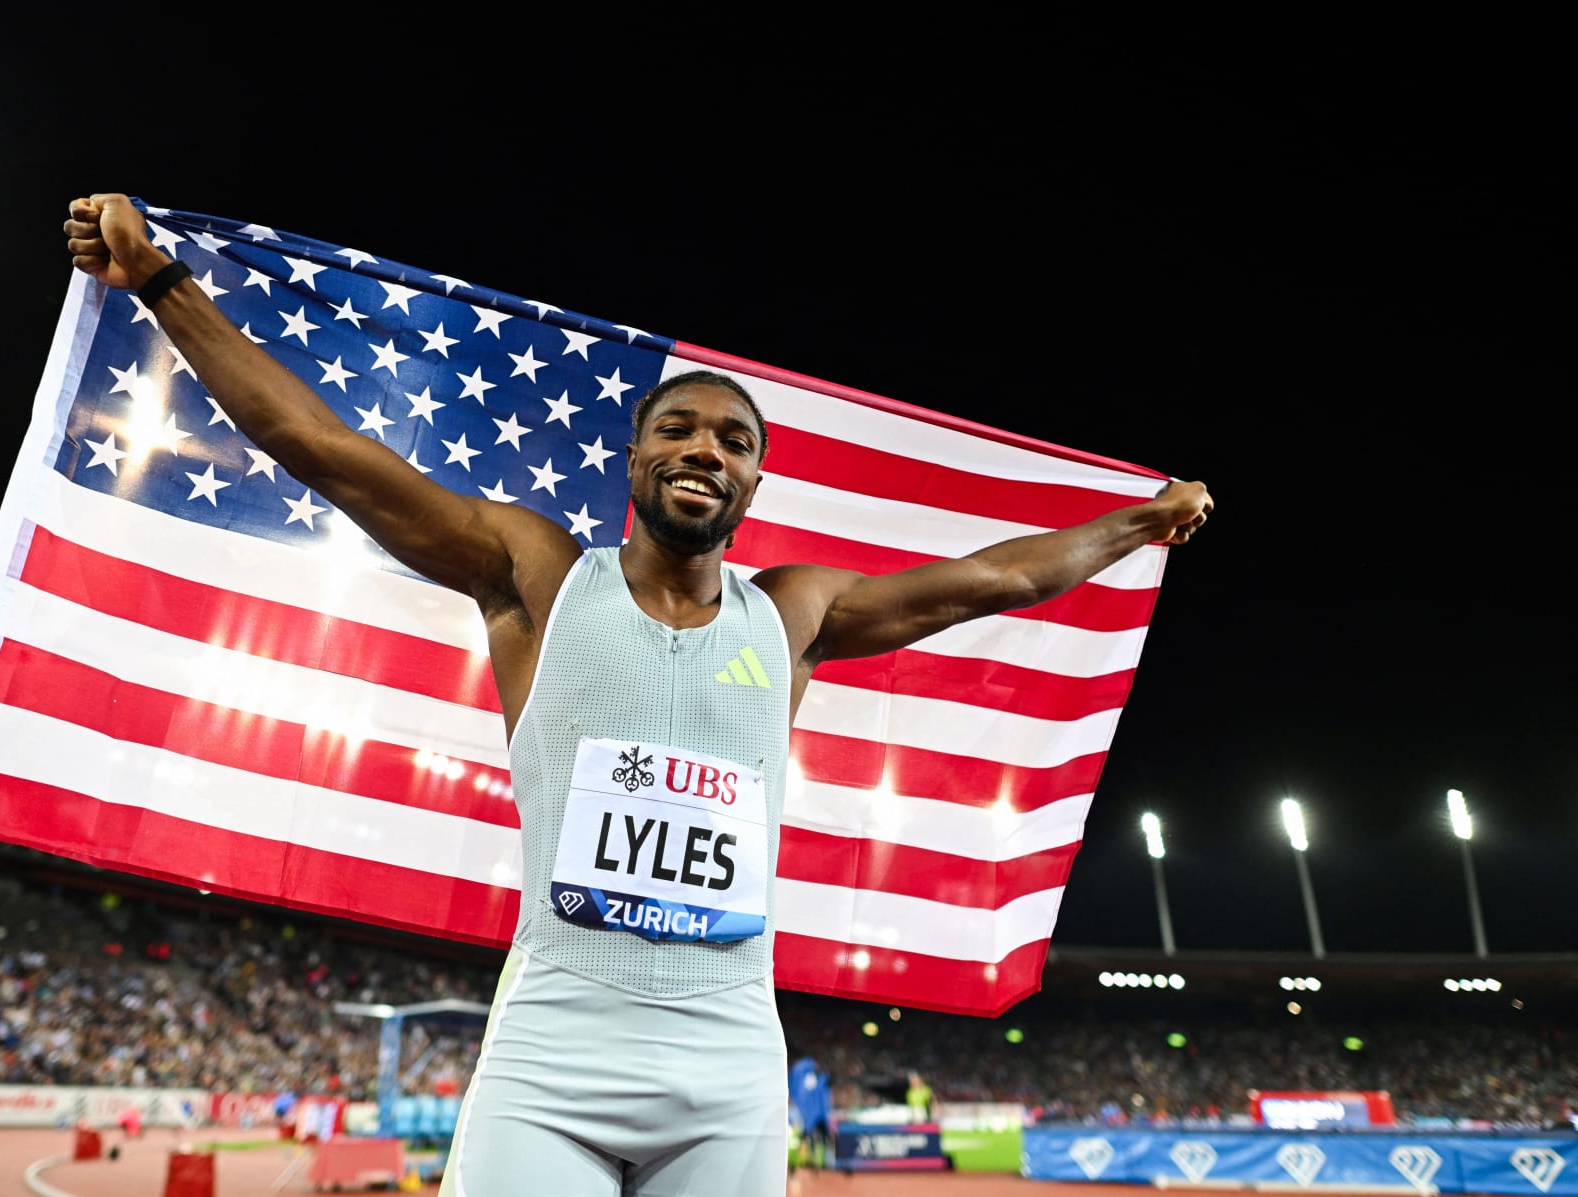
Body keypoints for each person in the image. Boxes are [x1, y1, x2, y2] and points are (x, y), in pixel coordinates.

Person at [64, 194, 1212, 1197]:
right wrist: (162, 282)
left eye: (732, 437)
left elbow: (996, 580)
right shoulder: (537, 575)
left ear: (756, 477)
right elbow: (316, 443)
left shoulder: (796, 613)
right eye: (677, 428)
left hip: (727, 1066)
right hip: (553, 1055)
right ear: (634, 458)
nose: (704, 447)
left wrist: (1140, 521)